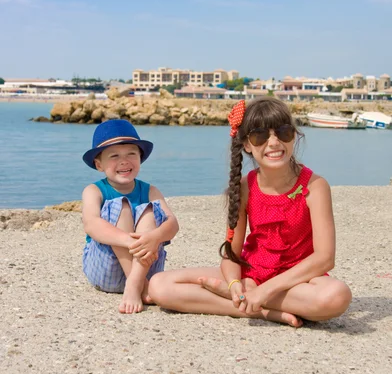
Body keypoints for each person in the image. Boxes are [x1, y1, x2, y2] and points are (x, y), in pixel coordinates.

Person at [148, 97, 352, 327]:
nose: (273, 142)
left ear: (294, 135)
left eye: (283, 132)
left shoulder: (315, 186)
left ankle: (253, 300)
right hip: (251, 274)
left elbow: (324, 259)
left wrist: (265, 290)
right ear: (246, 144)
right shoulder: (244, 187)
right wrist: (235, 285)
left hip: (297, 281)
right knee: (159, 286)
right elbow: (232, 255)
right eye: (260, 136)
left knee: (336, 296)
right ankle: (258, 311)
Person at [82, 119, 179, 314]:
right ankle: (136, 284)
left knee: (151, 210)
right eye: (114, 156)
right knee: (121, 206)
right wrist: (130, 241)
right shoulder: (94, 191)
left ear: (140, 158)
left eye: (131, 154)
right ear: (99, 164)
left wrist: (154, 237)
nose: (124, 161)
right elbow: (91, 224)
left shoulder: (150, 190)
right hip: (106, 269)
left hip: (147, 268)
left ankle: (135, 282)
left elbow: (173, 224)